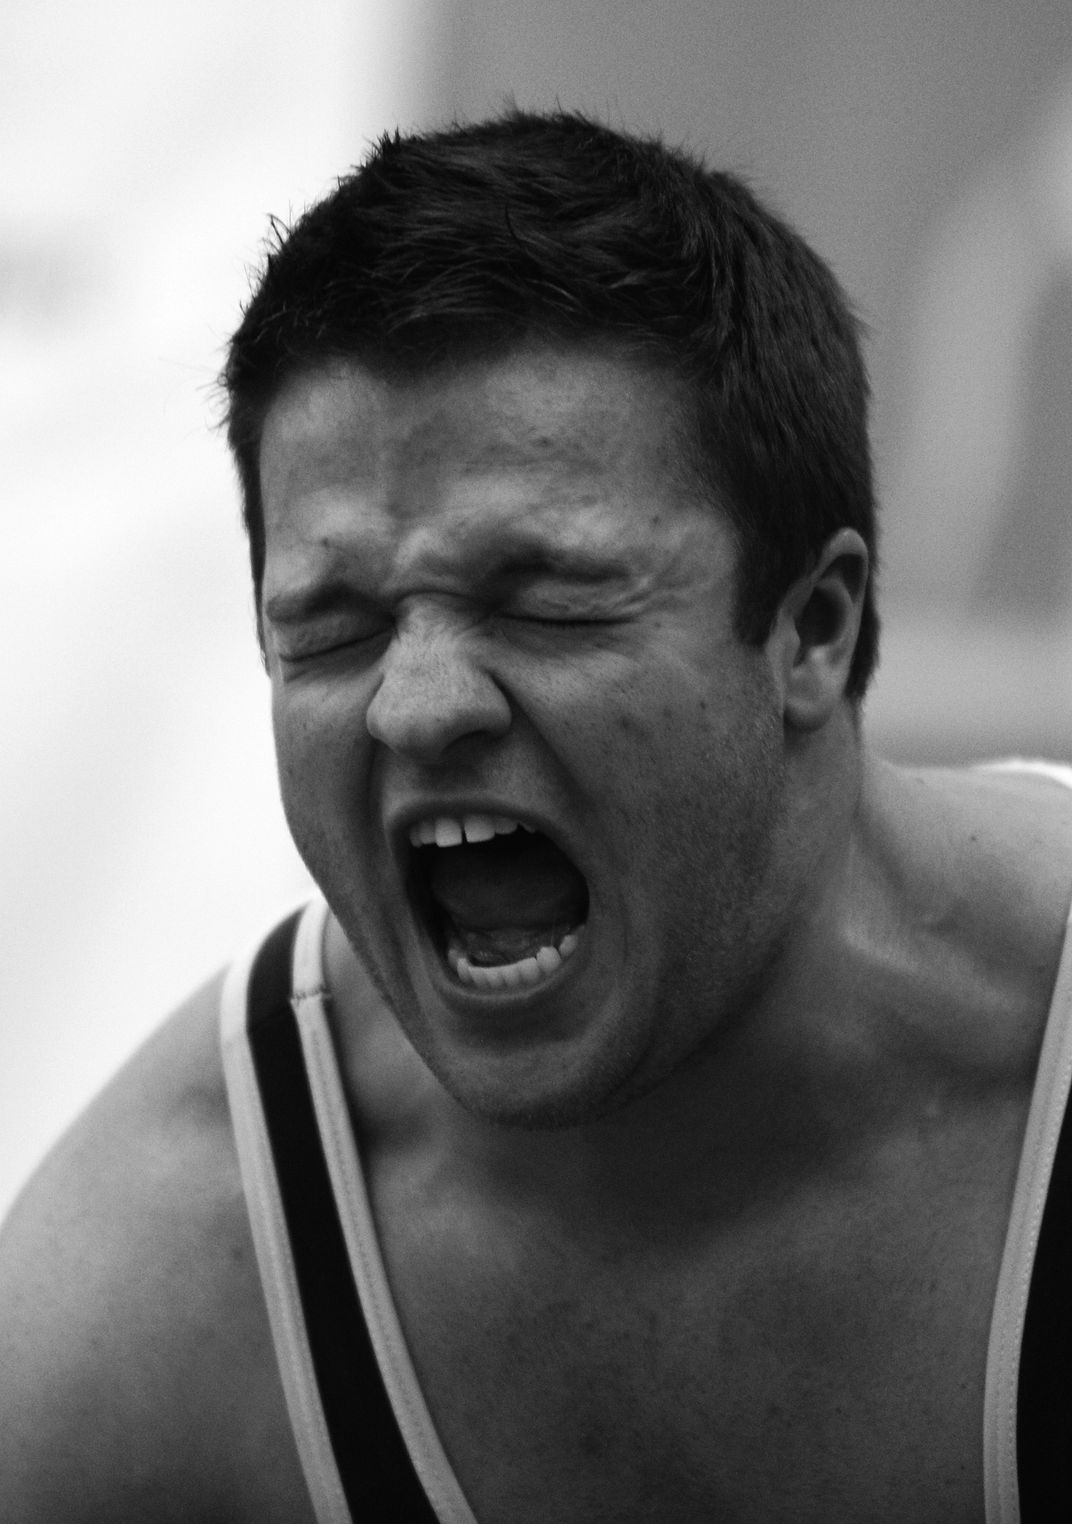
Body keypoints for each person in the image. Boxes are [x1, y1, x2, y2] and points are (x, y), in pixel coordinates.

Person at [1, 109, 1070, 1524]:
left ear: (814, 627)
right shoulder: (170, 1269)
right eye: (332, 627)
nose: (416, 705)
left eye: (544, 599)